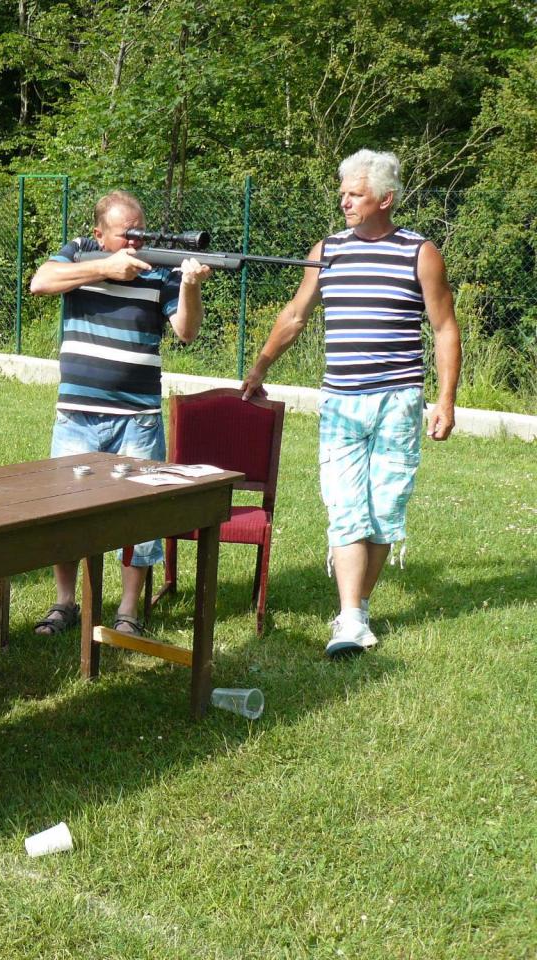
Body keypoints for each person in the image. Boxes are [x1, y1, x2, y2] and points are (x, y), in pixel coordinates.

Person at [239, 149, 461, 659]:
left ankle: (356, 609)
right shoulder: (328, 251)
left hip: (398, 401)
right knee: (344, 507)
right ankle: (350, 617)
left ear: (385, 199)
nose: (344, 202)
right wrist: (260, 367)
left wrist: (445, 401)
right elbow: (295, 315)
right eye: (342, 193)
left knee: (384, 507)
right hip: (340, 400)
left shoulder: (420, 253)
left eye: (355, 194)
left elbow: (445, 328)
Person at [28, 191, 211, 638]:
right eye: (126, 234)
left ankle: (128, 611)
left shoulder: (159, 269)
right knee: (66, 512)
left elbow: (187, 331)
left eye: (140, 232)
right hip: (78, 415)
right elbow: (40, 282)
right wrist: (105, 268)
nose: (136, 241)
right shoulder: (78, 252)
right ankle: (64, 603)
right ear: (98, 234)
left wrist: (190, 284)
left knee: (140, 518)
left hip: (138, 418)